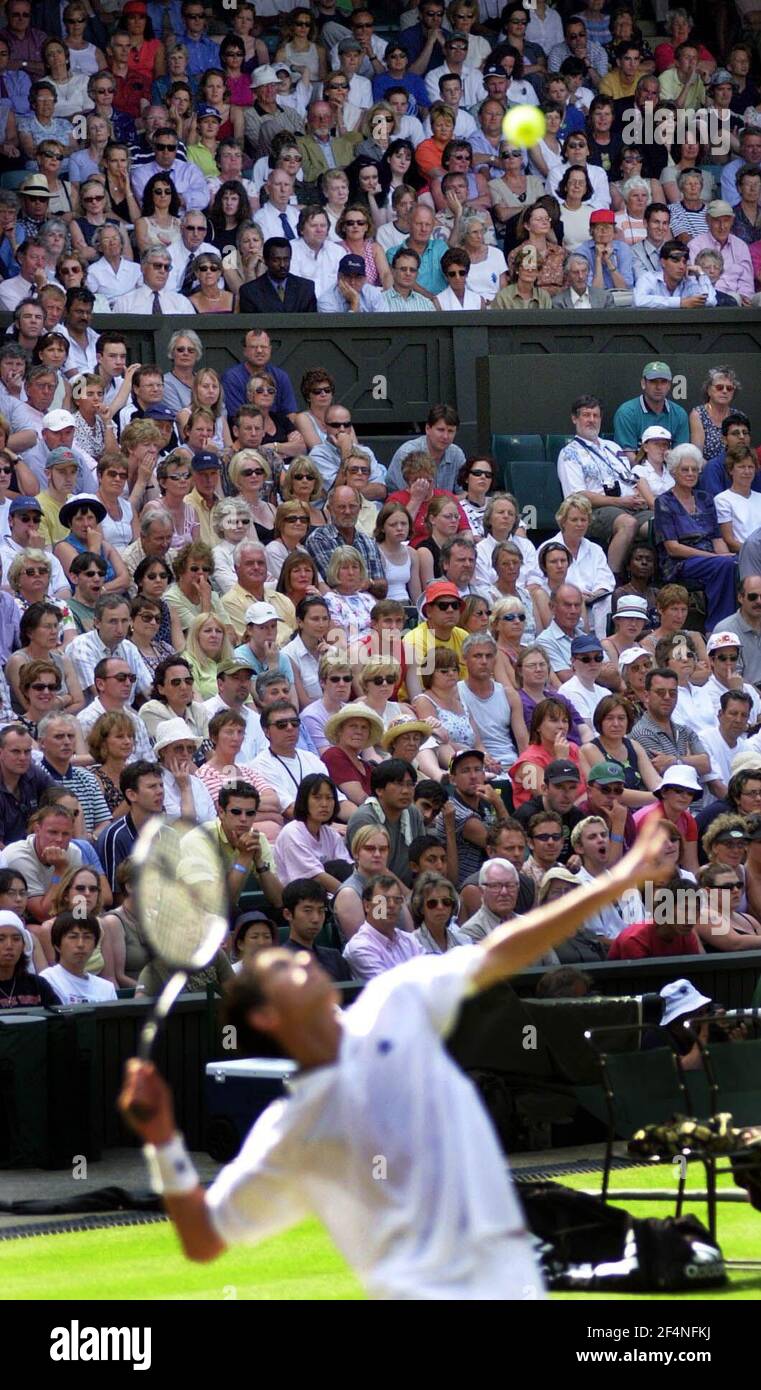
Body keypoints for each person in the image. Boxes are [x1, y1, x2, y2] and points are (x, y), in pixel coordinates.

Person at [653, 444, 739, 631]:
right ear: (674, 472)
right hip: (680, 562)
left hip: (710, 560)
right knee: (723, 565)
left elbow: (717, 539)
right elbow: (673, 548)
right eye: (685, 469)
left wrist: (728, 557)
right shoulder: (664, 502)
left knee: (736, 564)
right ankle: (717, 628)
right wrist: (717, 558)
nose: (691, 473)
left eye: (695, 469)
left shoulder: (705, 498)